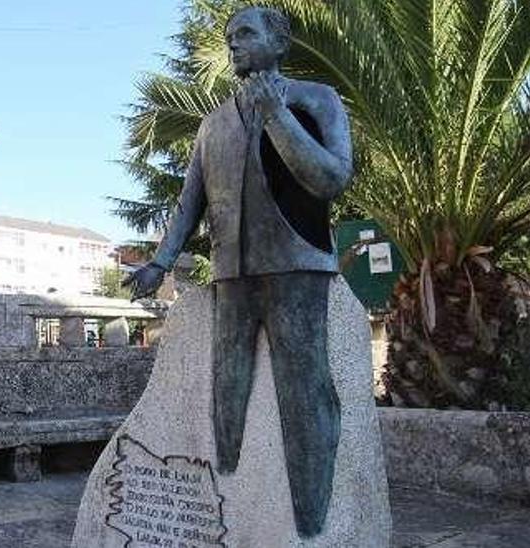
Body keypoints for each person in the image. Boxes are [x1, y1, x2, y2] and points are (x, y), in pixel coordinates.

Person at [122, 6, 354, 539]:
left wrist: (277, 116)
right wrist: (160, 261)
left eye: (245, 35)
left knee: (305, 391)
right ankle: (229, 494)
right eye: (229, 38)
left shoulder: (316, 100)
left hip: (297, 264)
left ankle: (310, 523)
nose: (233, 45)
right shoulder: (212, 124)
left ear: (279, 42)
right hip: (233, 274)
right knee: (228, 390)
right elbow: (189, 203)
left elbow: (330, 179)